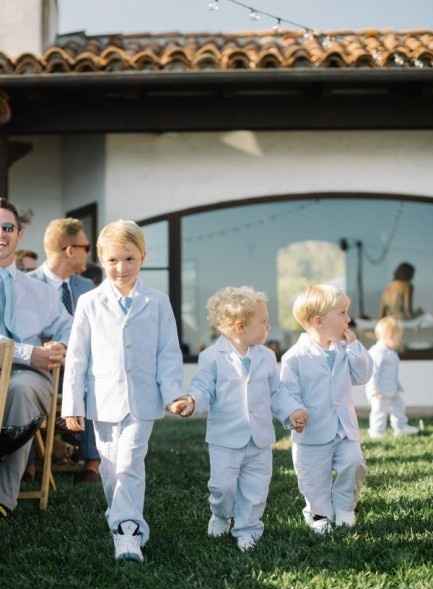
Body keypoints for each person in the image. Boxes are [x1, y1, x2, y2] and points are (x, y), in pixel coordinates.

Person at [62, 220, 184, 562]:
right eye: (113, 260)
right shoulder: (89, 302)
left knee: (130, 461)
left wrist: (173, 394)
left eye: (129, 259)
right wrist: (72, 404)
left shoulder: (158, 302)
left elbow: (169, 353)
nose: (121, 267)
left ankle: (127, 533)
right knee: (111, 468)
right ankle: (122, 514)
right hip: (103, 400)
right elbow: (77, 357)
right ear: (101, 259)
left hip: (142, 400)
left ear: (143, 256)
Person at [169, 286, 304, 552]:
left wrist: (291, 411)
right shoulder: (211, 357)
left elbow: (276, 392)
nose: (269, 327)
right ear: (241, 326)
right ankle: (220, 514)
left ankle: (248, 528)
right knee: (222, 487)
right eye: (264, 322)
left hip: (260, 439)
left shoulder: (266, 356)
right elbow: (203, 388)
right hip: (225, 439)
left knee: (255, 488)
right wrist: (192, 402)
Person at [280, 285, 372, 534]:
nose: (349, 319)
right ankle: (319, 513)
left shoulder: (346, 349)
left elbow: (362, 375)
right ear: (319, 321)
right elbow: (286, 392)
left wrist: (355, 347)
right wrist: (293, 413)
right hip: (312, 432)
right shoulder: (294, 357)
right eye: (342, 313)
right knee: (313, 479)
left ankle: (344, 507)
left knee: (353, 464)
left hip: (344, 428)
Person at [0, 198, 71, 518]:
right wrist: (30, 353)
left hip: (26, 380)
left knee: (21, 390)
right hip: (26, 362)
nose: (1, 234)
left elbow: (71, 328)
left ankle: (3, 499)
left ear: (19, 232)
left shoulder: (41, 290)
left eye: (7, 227)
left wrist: (62, 348)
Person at [28, 218, 100, 483]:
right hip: (38, 367)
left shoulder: (86, 288)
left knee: (98, 375)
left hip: (80, 368)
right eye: (86, 246)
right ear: (70, 250)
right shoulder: (26, 285)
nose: (89, 254)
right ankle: (30, 462)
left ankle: (93, 462)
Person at [366, 316, 418, 438]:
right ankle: (377, 431)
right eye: (397, 338)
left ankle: (400, 427)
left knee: (399, 407)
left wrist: (397, 386)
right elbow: (373, 372)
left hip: (392, 389)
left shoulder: (391, 352)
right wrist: (374, 390)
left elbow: (392, 372)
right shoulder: (377, 352)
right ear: (388, 336)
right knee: (379, 411)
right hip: (379, 391)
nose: (400, 340)